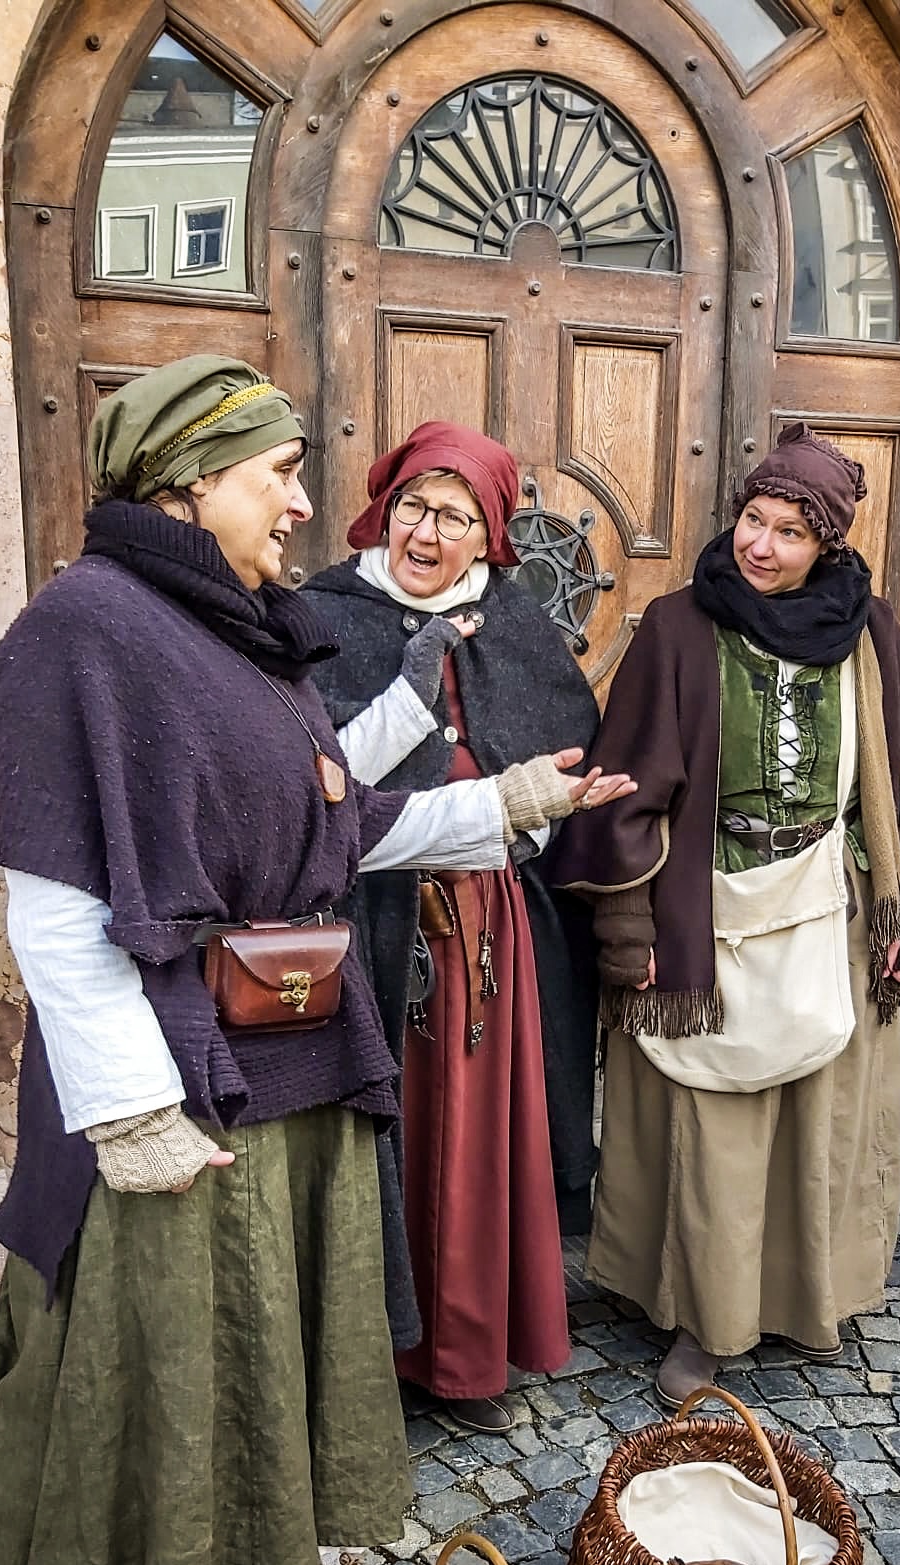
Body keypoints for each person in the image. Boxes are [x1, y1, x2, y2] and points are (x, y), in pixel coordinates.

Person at [0, 358, 634, 1565]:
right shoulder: (82, 632)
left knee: (298, 1330)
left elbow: (335, 837)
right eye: (278, 472)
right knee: (113, 1359)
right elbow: (55, 905)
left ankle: (289, 1551)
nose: (310, 502)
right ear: (192, 478)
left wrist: (502, 801)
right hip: (173, 1083)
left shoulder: (249, 638)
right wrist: (127, 1108)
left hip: (304, 1062)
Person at [550, 424, 900, 1409]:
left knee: (816, 1123)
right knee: (716, 1127)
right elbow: (625, 788)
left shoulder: (873, 635)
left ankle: (810, 1297)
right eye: (751, 520)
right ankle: (704, 1317)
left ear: (830, 546)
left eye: (787, 531)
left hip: (827, 909)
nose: (759, 545)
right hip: (707, 912)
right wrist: (629, 929)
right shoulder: (679, 627)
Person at [307, 423, 602, 1434]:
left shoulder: (514, 623)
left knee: (477, 1141)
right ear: (383, 508)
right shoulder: (320, 616)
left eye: (457, 517)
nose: (428, 533)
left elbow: (565, 754)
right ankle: (372, 1359)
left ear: (491, 539)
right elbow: (316, 785)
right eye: (415, 509)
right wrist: (413, 684)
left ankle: (467, 1357)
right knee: (380, 1137)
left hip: (483, 924)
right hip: (366, 923)